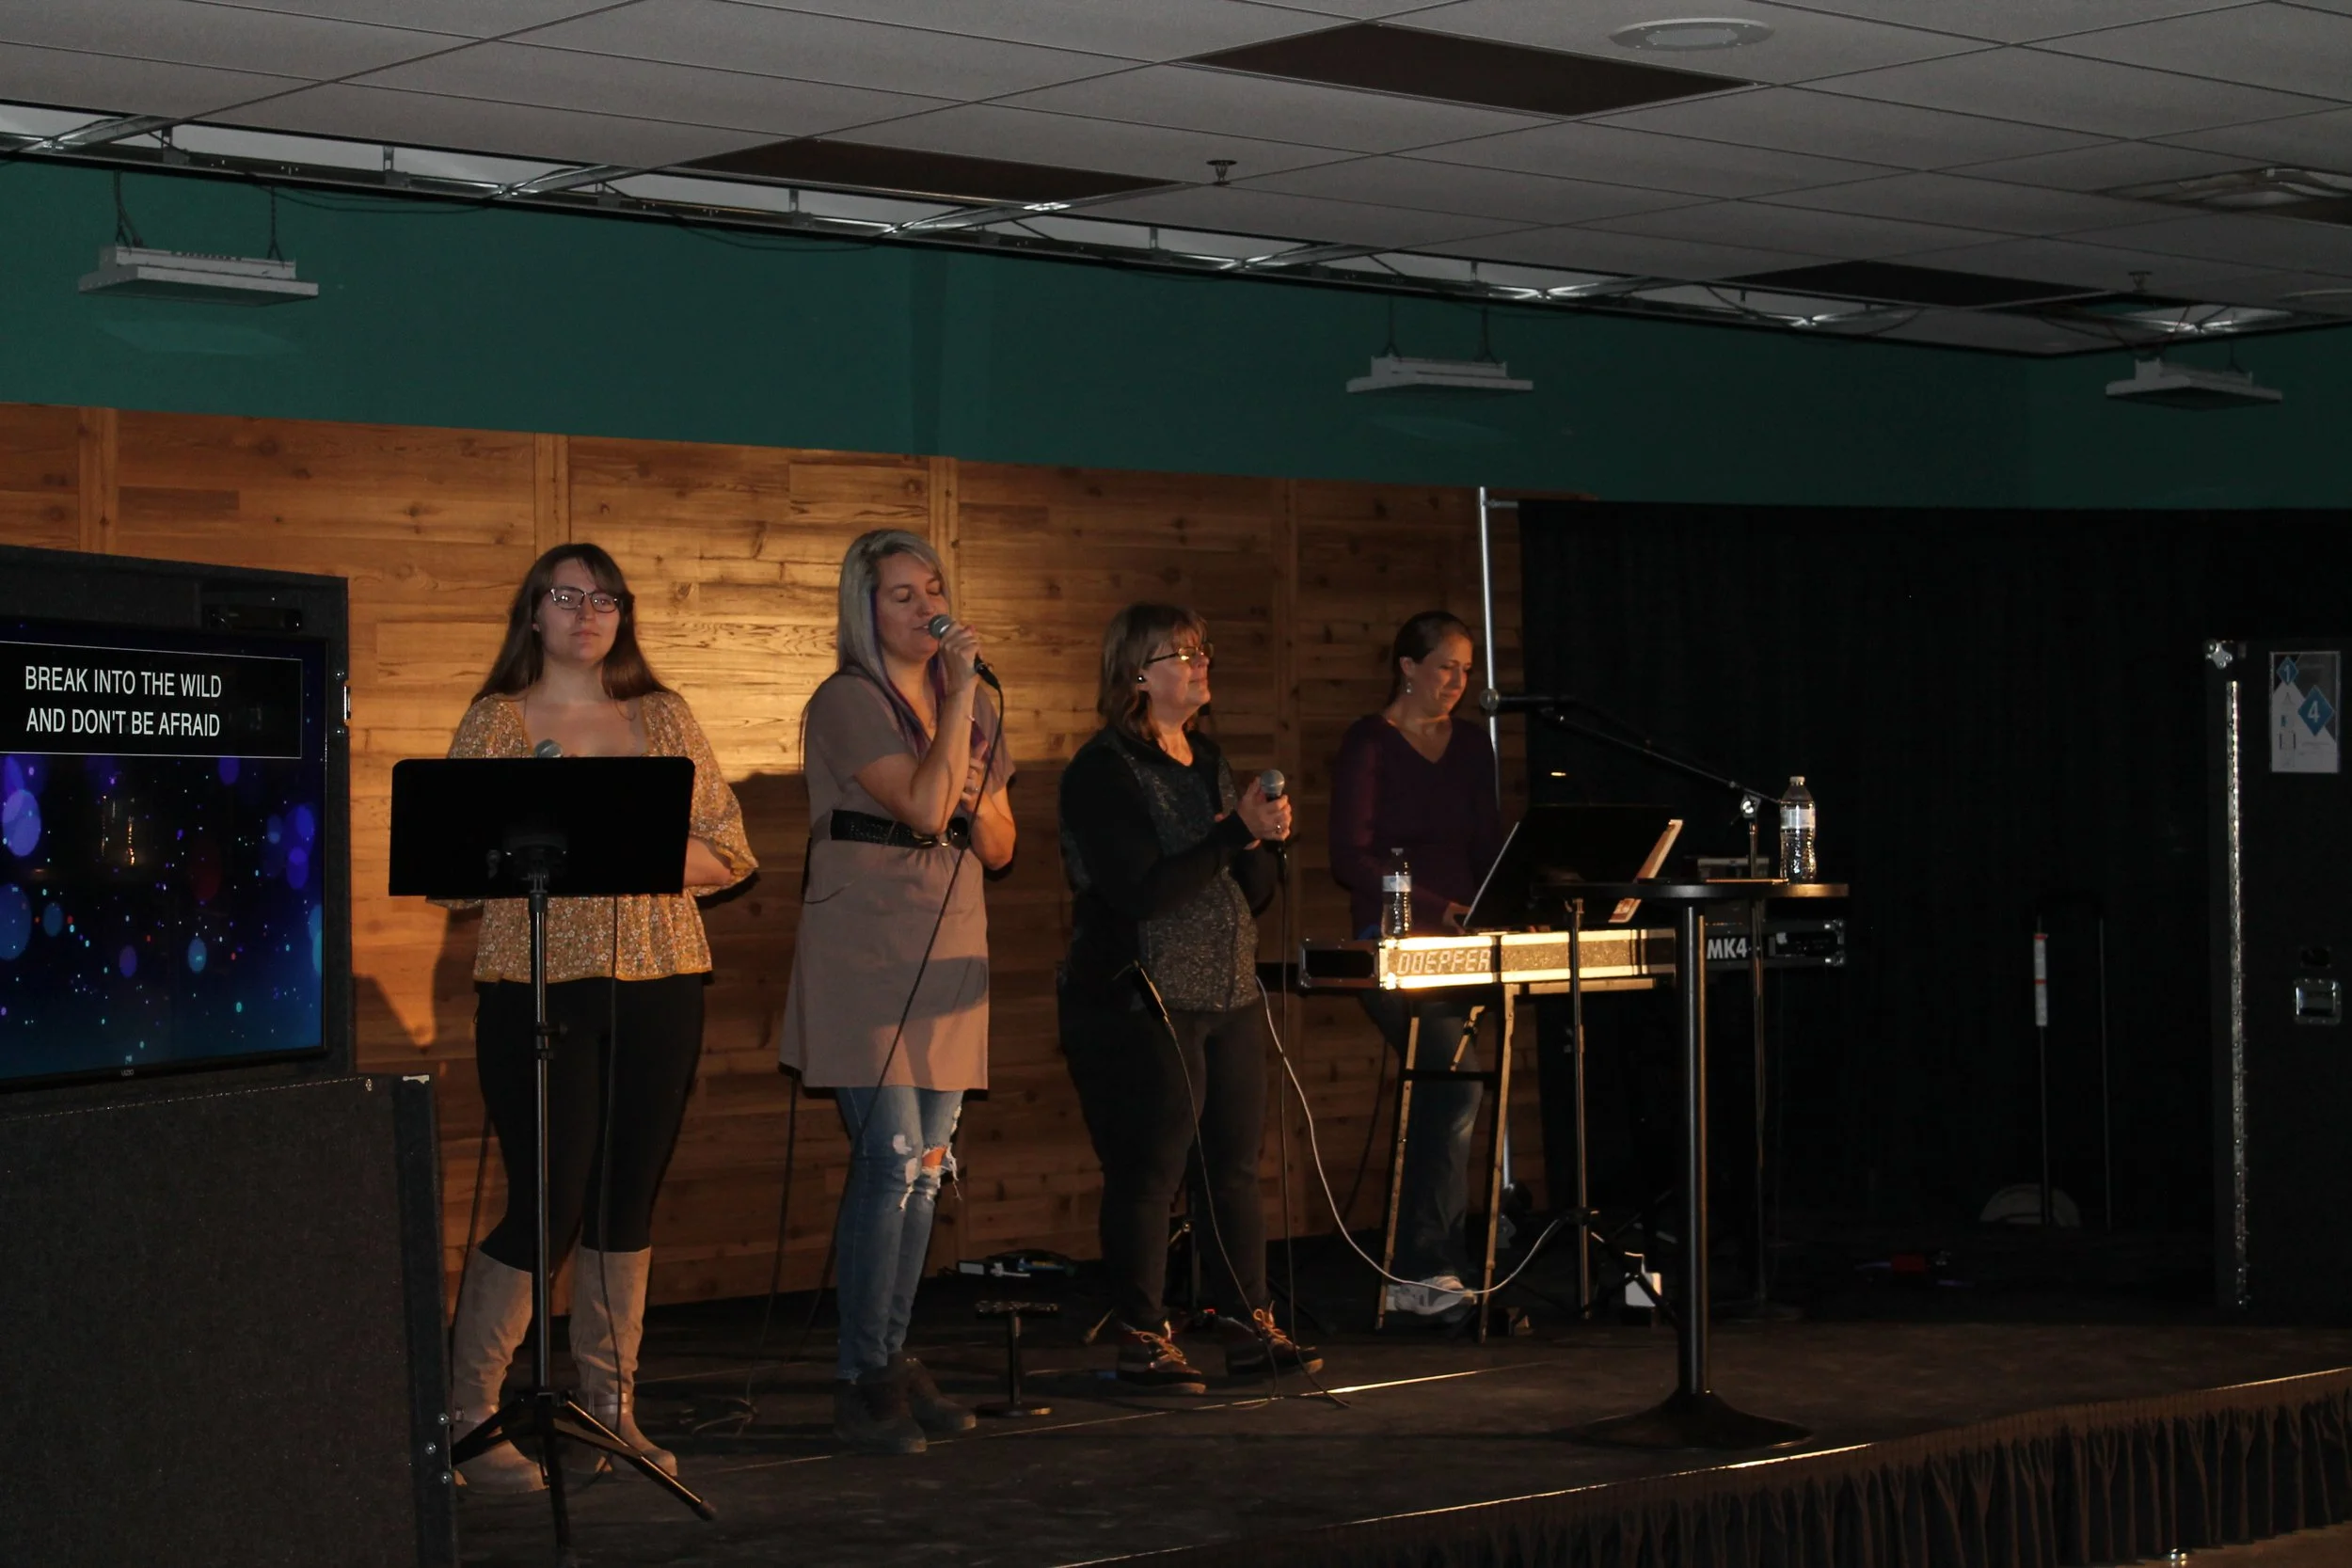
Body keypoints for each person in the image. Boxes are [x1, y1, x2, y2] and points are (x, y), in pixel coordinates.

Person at [442, 544, 756, 1493]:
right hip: (538, 983)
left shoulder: (662, 716)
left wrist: (620, 840)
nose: (588, 612)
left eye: (605, 597)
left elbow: (730, 853)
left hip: (660, 979)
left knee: (627, 1196)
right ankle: (467, 1416)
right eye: (566, 595)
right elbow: (456, 874)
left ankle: (610, 1407)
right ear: (532, 612)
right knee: (549, 1200)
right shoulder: (497, 722)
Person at [778, 528, 1015, 1456]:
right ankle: (859, 1375)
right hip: (864, 945)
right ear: (863, 609)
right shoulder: (845, 700)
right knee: (890, 1154)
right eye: (901, 595)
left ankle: (887, 1354)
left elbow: (997, 843)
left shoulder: (979, 703)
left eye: (933, 588)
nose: (926, 608)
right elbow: (921, 806)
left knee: (927, 1168)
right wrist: (958, 717)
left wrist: (967, 770)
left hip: (950, 934)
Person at [1057, 603, 1321, 1390]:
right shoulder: (1102, 770)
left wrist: (1265, 837)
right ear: (1137, 673)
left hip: (1230, 990)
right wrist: (1230, 834)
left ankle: (1247, 1319)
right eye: (1183, 653)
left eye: (1205, 651)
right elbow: (1140, 889)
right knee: (1149, 1171)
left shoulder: (1207, 756)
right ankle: (1143, 1334)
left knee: (1233, 1167)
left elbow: (1253, 890)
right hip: (1144, 999)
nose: (1202, 664)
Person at [1328, 610, 1504, 1325]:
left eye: (1467, 670)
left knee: (1450, 1088)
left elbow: (1489, 842)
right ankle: (1424, 1266)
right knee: (1451, 1082)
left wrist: (1506, 903)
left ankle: (1430, 1264)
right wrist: (1440, 904)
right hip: (1392, 938)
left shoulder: (1470, 747)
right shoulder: (1370, 743)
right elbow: (1351, 856)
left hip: (1464, 938)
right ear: (1407, 666)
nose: (1458, 683)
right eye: (1445, 667)